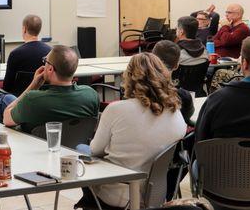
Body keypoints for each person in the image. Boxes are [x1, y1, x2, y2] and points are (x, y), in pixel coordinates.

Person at [75, 53, 186, 208]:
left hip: (118, 193)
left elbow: (95, 150)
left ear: (129, 77)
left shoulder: (116, 110)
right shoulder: (175, 111)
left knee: (80, 150)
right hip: (156, 194)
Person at [0, 45, 99, 133]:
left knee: (4, 101)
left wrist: (33, 85)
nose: (44, 64)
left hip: (34, 146)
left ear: (50, 69)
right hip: (72, 146)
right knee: (7, 98)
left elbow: (6, 118)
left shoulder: (33, 99)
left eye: (45, 61)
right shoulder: (91, 95)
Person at [2, 14, 51, 96]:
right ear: (39, 29)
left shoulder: (15, 54)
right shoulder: (50, 52)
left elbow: (7, 86)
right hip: (44, 99)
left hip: (19, 102)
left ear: (24, 29)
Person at [151, 40, 195, 125]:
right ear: (176, 66)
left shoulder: (139, 94)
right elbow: (186, 119)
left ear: (151, 61)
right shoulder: (184, 97)